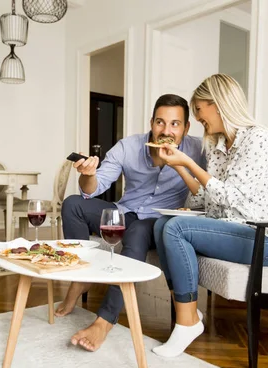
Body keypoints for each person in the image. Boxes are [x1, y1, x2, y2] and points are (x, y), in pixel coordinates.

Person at [152, 74, 268, 358]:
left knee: (175, 229)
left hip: (265, 239)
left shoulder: (257, 138)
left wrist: (189, 162)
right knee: (161, 225)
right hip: (232, 229)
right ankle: (188, 313)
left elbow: (232, 197)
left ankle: (187, 322)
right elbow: (205, 198)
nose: (201, 120)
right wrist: (177, 165)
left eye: (201, 112)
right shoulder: (217, 146)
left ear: (218, 104)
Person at [57, 94, 206, 351]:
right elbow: (94, 187)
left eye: (174, 124)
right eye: (160, 123)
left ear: (186, 127)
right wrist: (88, 175)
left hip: (157, 221)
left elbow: (205, 191)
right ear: (151, 123)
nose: (166, 131)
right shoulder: (129, 146)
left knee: (137, 233)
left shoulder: (198, 151)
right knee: (73, 204)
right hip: (124, 212)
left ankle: (104, 321)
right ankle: (80, 278)